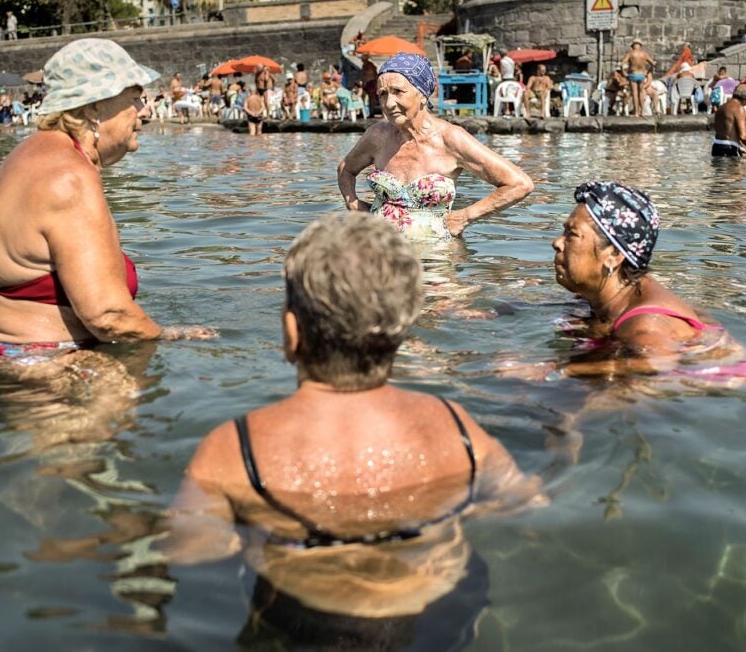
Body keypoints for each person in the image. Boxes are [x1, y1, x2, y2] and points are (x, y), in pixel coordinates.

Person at [159, 212, 543, 645]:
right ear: (404, 327)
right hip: (443, 612)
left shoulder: (236, 446)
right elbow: (524, 505)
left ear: (291, 333)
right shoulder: (456, 426)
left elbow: (189, 551)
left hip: (301, 620)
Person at [0, 38, 213, 362]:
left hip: (7, 353)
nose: (146, 109)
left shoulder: (28, 156)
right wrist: (171, 336)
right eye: (135, 98)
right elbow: (108, 315)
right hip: (52, 368)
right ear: (94, 107)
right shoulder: (69, 176)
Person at [501, 182, 746, 381]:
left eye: (572, 234)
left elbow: (656, 364)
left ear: (614, 255)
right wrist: (505, 309)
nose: (557, 242)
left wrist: (551, 370)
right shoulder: (612, 292)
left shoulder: (644, 326)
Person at [338, 53, 534, 241]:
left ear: (422, 95)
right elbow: (346, 169)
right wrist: (353, 203)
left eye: (398, 92)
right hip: (382, 250)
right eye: (382, 94)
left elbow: (519, 184)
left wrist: (463, 217)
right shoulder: (378, 136)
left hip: (436, 257)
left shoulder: (450, 139)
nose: (389, 103)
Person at [712, 84, 746, 158]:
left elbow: (725, 131)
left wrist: (738, 147)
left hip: (716, 146)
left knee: (720, 169)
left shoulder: (721, 108)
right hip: (729, 148)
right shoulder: (739, 108)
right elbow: (743, 136)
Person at [620, 39, 657, 117]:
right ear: (640, 45)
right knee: (641, 93)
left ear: (633, 45)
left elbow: (622, 64)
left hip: (633, 74)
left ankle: (636, 113)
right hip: (641, 75)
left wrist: (624, 72)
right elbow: (653, 64)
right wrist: (649, 71)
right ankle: (642, 112)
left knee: (635, 93)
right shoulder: (644, 54)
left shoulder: (630, 53)